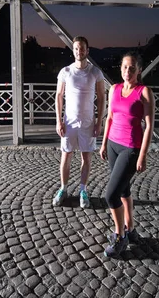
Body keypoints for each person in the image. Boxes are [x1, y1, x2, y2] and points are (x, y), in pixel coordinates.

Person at [99, 51, 154, 257]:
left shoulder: (144, 92)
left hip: (131, 147)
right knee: (124, 190)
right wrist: (104, 144)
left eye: (132, 68)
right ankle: (130, 230)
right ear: (120, 68)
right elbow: (110, 118)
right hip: (113, 144)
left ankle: (120, 235)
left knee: (111, 195)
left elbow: (148, 127)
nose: (127, 71)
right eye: (124, 67)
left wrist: (142, 155)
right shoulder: (114, 89)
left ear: (139, 70)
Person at [53, 36, 106, 209]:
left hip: (88, 123)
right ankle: (63, 188)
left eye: (82, 48)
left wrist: (99, 123)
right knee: (66, 155)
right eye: (76, 48)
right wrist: (58, 121)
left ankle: (83, 190)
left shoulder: (95, 72)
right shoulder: (66, 71)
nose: (79, 51)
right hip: (69, 122)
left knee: (86, 157)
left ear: (87, 50)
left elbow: (101, 98)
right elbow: (59, 96)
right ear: (73, 50)